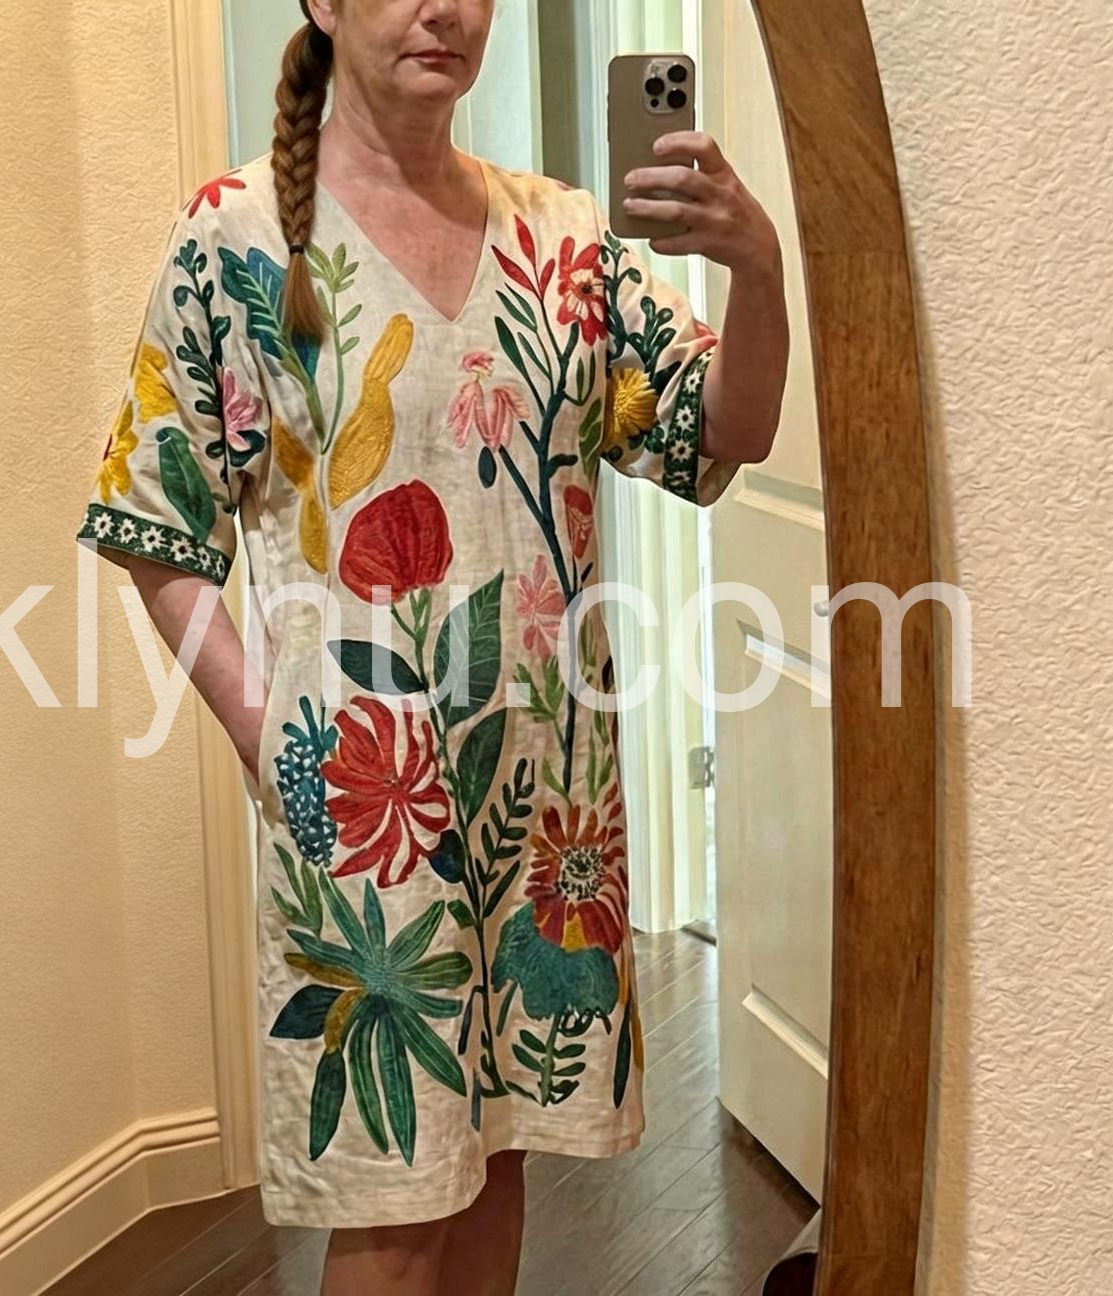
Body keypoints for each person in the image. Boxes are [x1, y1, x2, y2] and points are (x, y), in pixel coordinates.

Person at [75, 1, 788, 1291]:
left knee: (496, 1167)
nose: (445, 8)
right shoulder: (237, 238)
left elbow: (724, 433)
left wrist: (759, 269)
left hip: (547, 811)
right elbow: (152, 523)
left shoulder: (563, 238)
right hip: (368, 814)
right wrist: (266, 736)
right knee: (394, 1215)